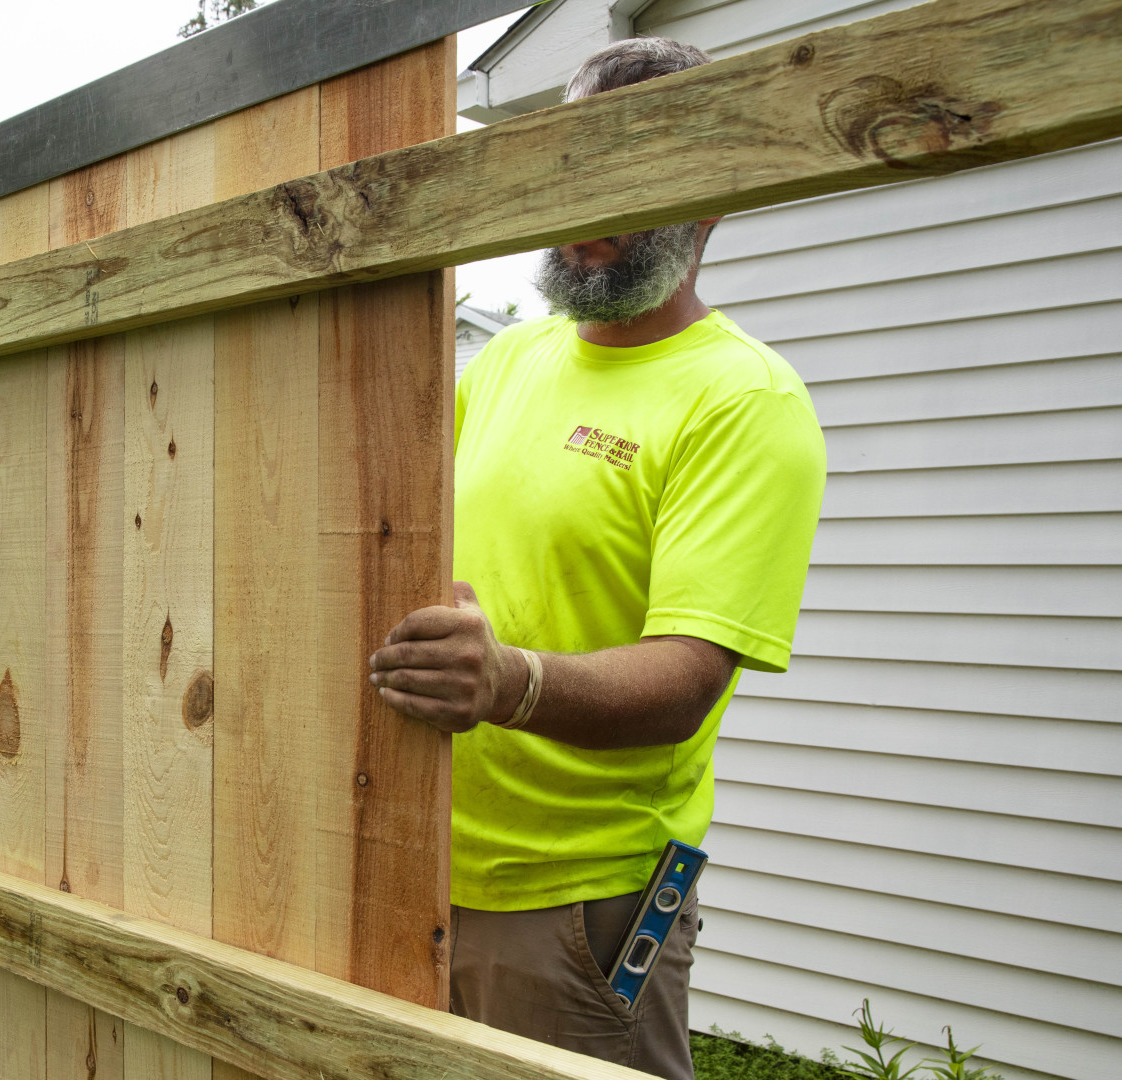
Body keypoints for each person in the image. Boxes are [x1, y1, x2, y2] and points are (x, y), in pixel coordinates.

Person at [365, 37, 827, 1080]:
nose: (591, 206)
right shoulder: (512, 358)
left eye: (636, 167)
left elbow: (684, 682)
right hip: (415, 862)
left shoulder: (742, 403)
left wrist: (506, 681)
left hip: (579, 910)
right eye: (575, 165)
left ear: (712, 195)